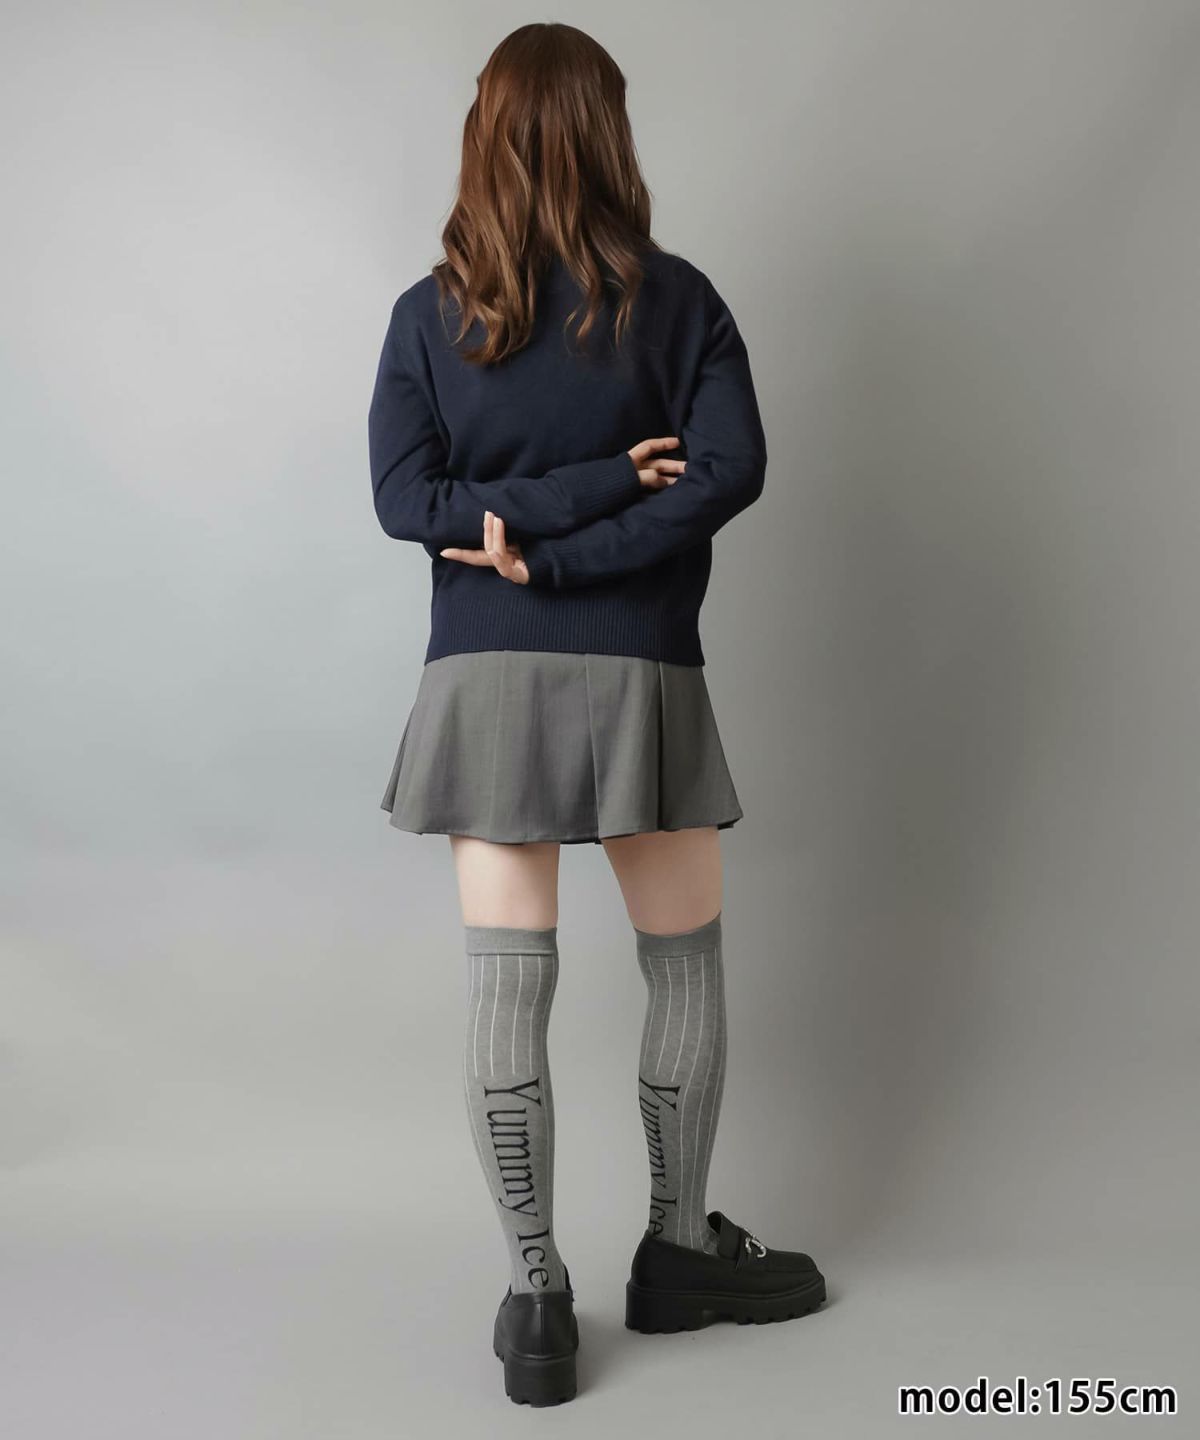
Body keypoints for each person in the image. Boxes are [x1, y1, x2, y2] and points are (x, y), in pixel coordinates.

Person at [367, 21, 825, 1407]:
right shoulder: (679, 303)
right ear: (609, 134)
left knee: (508, 985)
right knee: (683, 970)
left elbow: (414, 503)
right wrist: (601, 493)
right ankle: (678, 1255)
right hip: (640, 667)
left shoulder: (428, 316)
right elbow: (724, 473)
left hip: (485, 673)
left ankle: (537, 1300)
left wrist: (527, 550)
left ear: (483, 135)